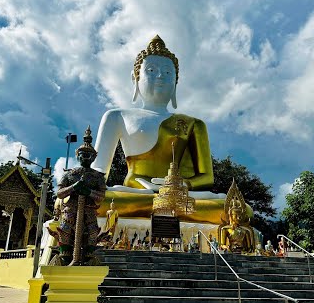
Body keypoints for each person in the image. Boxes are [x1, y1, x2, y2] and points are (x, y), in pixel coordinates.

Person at [92, 35, 226, 223]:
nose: (161, 76)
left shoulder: (193, 124)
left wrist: (182, 185)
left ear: (176, 83)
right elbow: (97, 171)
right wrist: (85, 189)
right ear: (135, 78)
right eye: (152, 70)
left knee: (232, 208)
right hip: (136, 192)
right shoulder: (116, 116)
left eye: (168, 73)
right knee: (92, 201)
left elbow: (207, 177)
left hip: (178, 195)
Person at [49, 126, 106, 265]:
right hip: (71, 208)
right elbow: (60, 193)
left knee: (92, 233)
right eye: (82, 154)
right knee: (65, 231)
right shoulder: (69, 173)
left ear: (94, 157)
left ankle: (88, 256)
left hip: (89, 208)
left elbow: (102, 196)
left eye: (88, 155)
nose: (85, 157)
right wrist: (74, 187)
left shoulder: (98, 176)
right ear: (77, 155)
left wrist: (89, 192)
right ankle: (65, 256)